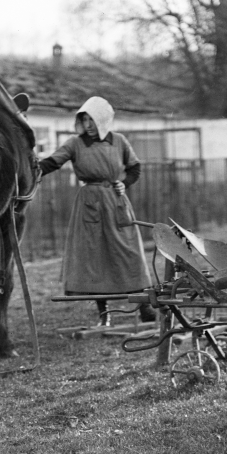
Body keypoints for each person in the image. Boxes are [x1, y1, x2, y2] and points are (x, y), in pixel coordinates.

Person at [37, 96, 155, 326]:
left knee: (129, 252)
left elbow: (135, 167)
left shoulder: (119, 141)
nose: (88, 125)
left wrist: (125, 182)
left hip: (116, 201)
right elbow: (52, 163)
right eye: (84, 120)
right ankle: (104, 314)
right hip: (89, 204)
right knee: (95, 256)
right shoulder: (75, 143)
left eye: (92, 120)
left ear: (102, 120)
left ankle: (144, 306)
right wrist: (30, 169)